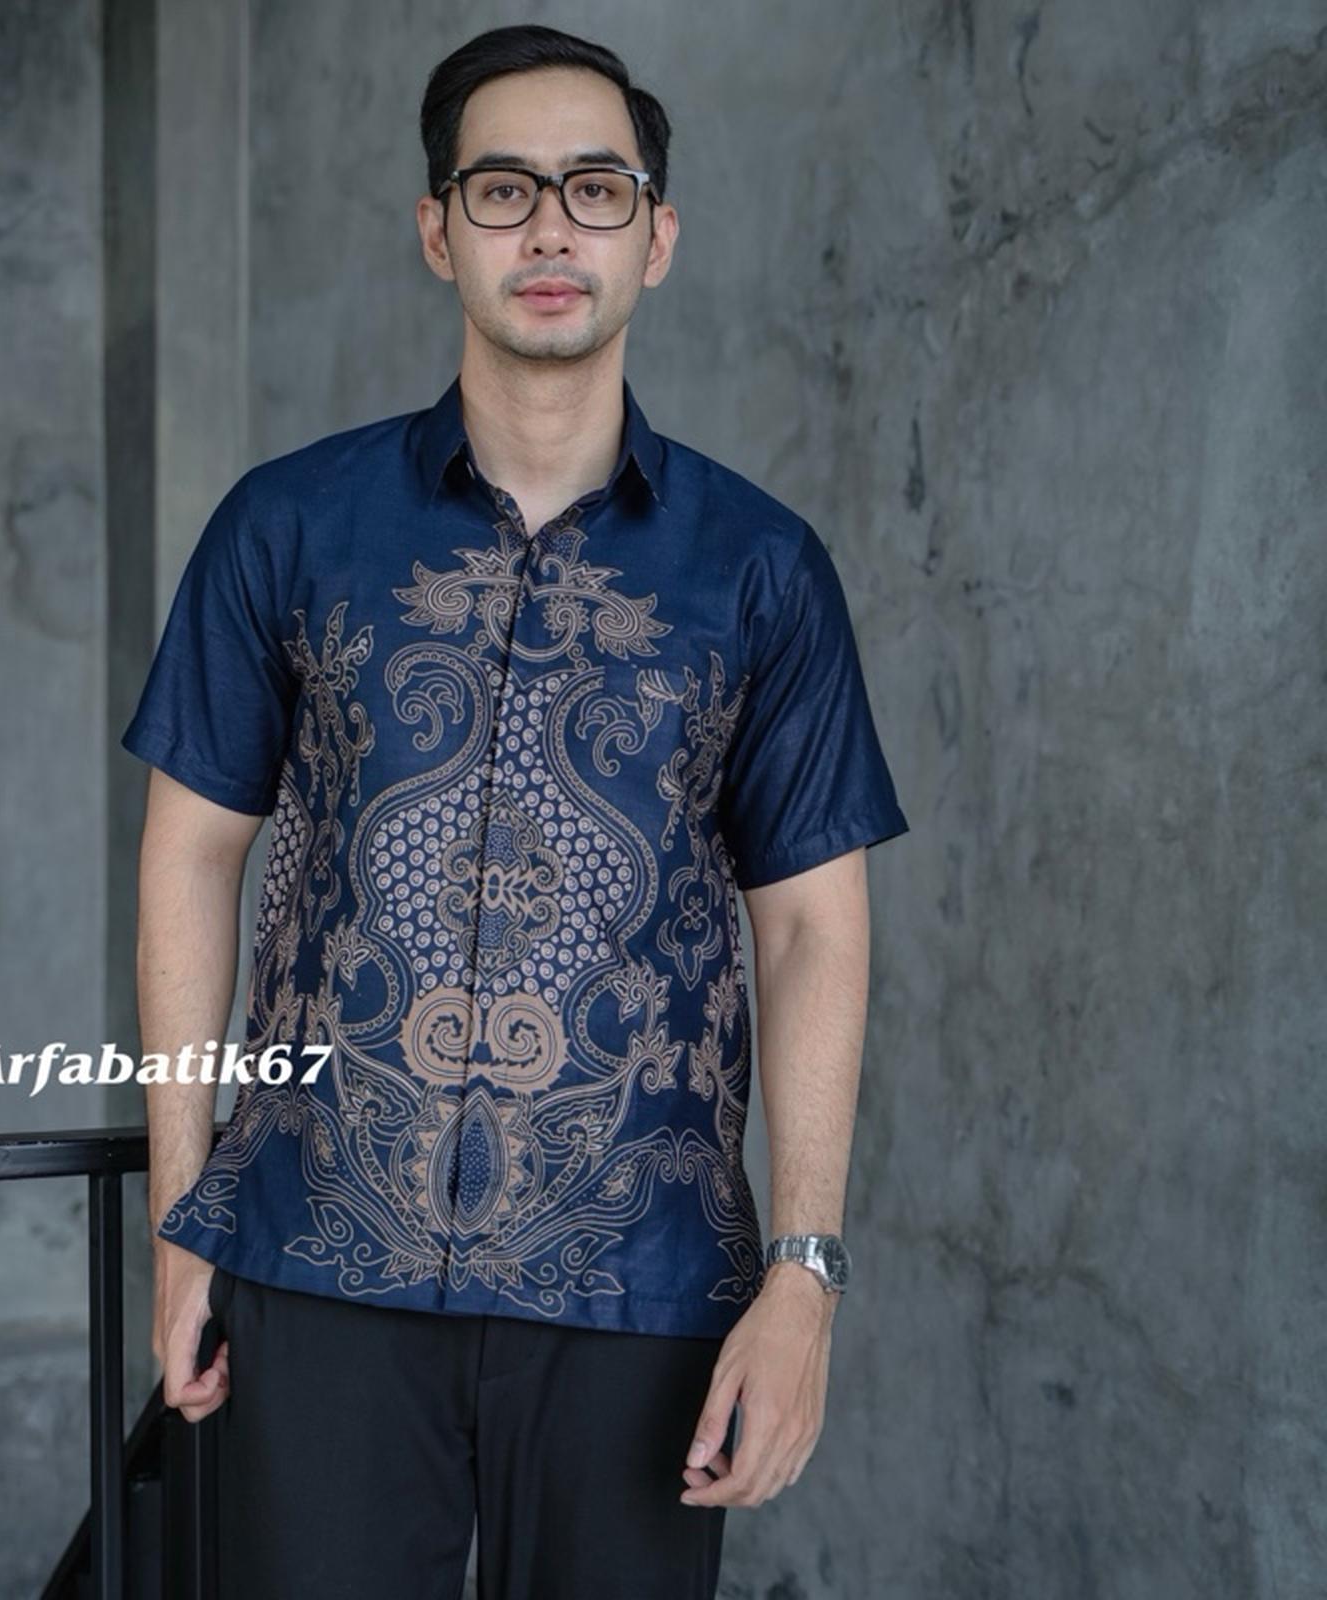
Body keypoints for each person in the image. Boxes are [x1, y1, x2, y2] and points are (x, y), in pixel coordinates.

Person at [126, 22, 909, 1599]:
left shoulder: (762, 569)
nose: (552, 228)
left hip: (642, 1278)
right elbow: (192, 855)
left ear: (656, 237)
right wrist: (184, 1209)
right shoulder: (287, 525)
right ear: (440, 231)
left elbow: (813, 929)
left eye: (596, 188)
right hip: (317, 1254)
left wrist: (806, 1274)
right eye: (504, 189)